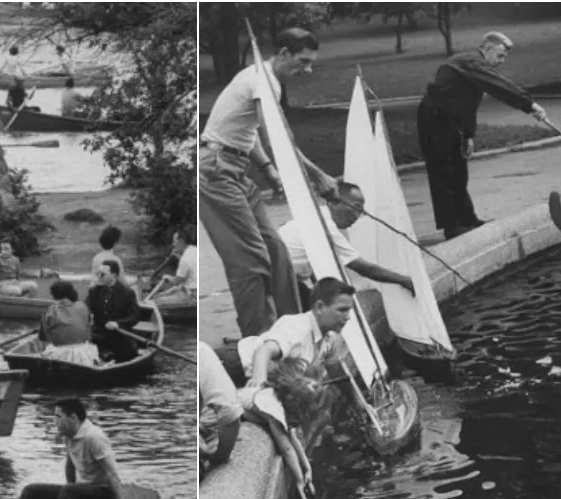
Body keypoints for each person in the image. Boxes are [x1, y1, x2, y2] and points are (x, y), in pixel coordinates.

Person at [200, 27, 338, 339]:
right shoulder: (264, 81)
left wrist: (267, 169)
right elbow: (278, 139)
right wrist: (319, 177)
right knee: (251, 262)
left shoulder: (261, 77)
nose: (307, 69)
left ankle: (295, 330)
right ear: (284, 53)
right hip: (215, 172)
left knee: (276, 251)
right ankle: (258, 340)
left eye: (311, 62)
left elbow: (246, 131)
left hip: (234, 168)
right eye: (302, 61)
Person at [215, 277, 359, 499]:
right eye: (342, 309)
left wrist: (361, 404)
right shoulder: (297, 327)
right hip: (232, 364)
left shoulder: (329, 338)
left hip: (273, 380)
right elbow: (263, 351)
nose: (347, 316)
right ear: (320, 307)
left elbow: (338, 374)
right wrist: (258, 381)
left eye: (349, 310)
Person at [418, 32, 548, 240]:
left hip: (450, 120)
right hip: (434, 120)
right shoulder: (471, 62)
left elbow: (469, 105)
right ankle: (451, 227)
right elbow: (499, 85)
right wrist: (529, 104)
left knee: (459, 172)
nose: (501, 62)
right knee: (445, 172)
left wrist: (468, 135)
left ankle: (468, 219)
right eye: (499, 56)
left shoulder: (475, 68)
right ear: (486, 48)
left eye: (504, 58)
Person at [278, 181, 415, 308]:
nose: (356, 216)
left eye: (360, 212)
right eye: (355, 208)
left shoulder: (313, 215)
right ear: (333, 203)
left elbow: (316, 268)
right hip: (282, 281)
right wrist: (403, 280)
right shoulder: (325, 226)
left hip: (284, 276)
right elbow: (365, 268)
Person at [6, 398, 123, 499]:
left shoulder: (94, 437)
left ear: (72, 418)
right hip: (81, 494)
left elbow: (113, 474)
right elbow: (70, 464)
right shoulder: (68, 435)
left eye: (58, 417)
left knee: (69, 490)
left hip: (103, 498)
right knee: (32, 490)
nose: (55, 422)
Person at [199, 342, 243, 478]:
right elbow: (230, 413)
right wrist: (220, 457)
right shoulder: (201, 351)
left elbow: (229, 412)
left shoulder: (201, 352)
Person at [86, 260, 141, 364]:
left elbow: (135, 315)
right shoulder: (93, 292)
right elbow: (86, 309)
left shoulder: (127, 293)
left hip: (120, 336)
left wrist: (118, 323)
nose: (99, 276)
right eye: (98, 273)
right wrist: (88, 317)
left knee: (125, 352)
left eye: (102, 274)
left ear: (114, 276)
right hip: (99, 336)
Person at [39, 280, 101, 366]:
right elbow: (88, 330)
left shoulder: (51, 311)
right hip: (85, 352)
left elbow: (43, 338)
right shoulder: (83, 306)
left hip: (61, 354)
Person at [154, 225, 198, 302]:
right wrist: (180, 258)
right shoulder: (194, 250)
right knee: (163, 294)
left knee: (157, 300)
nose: (173, 244)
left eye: (174, 241)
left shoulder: (185, 258)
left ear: (181, 241)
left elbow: (177, 281)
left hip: (192, 294)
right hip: (192, 289)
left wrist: (167, 277)